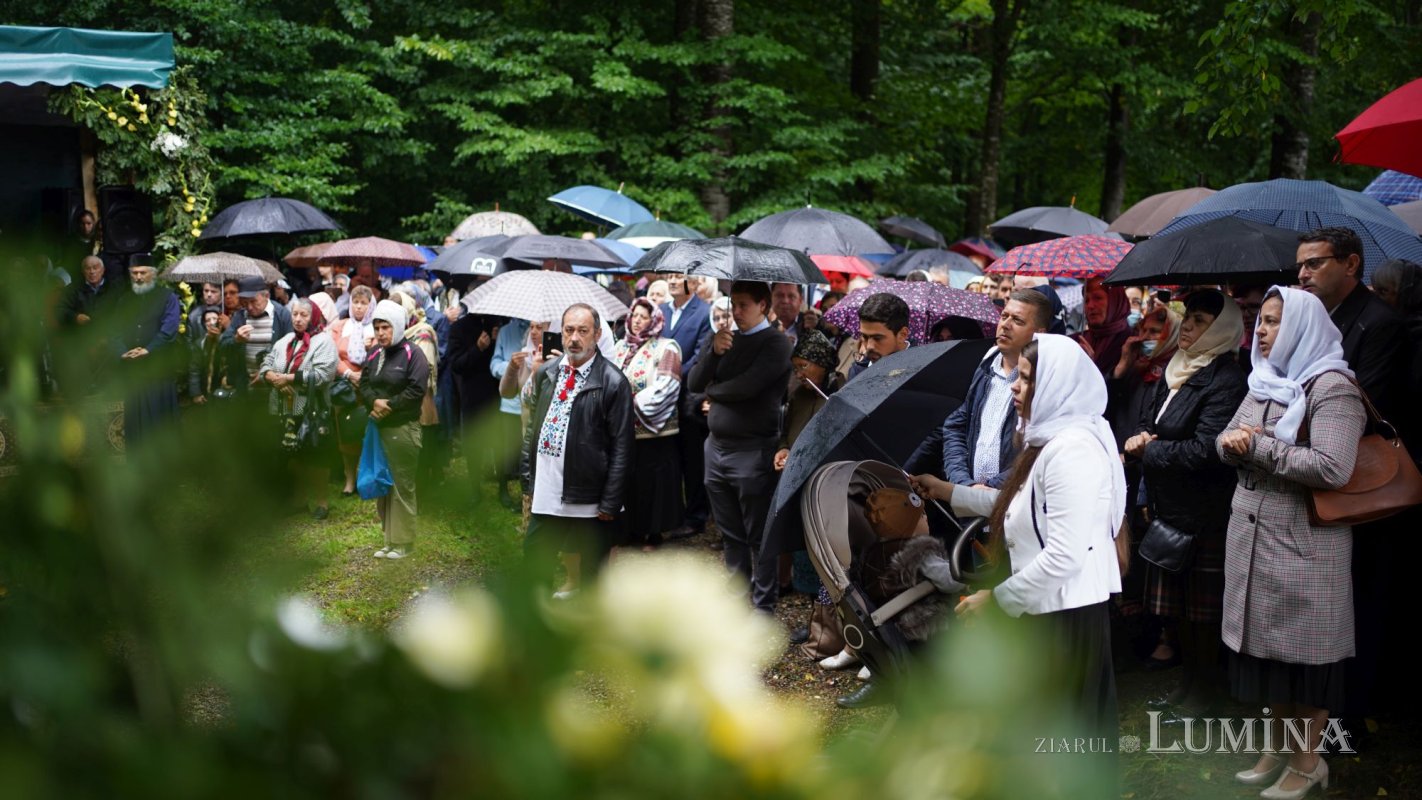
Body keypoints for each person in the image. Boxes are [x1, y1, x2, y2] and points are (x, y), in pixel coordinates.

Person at [911, 334, 1125, 775]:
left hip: (1066, 615)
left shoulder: (1072, 451)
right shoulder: (1049, 439)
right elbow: (1020, 505)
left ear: (1055, 385)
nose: (1013, 386)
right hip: (1046, 606)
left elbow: (1065, 554)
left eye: (1026, 379)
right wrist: (949, 491)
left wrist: (1000, 599)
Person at [1216, 287, 1364, 798]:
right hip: (1254, 540)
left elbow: (1333, 467)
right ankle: (1276, 749)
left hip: (1305, 545)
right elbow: (1225, 439)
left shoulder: (1332, 388)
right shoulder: (1265, 381)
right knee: (1269, 658)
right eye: (1259, 319)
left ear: (1302, 326)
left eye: (1273, 321)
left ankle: (1308, 762)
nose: (1260, 329)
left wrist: (1257, 446)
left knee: (1307, 661)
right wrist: (1238, 445)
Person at [1296, 229, 1414, 744]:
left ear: (1351, 264)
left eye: (1314, 264)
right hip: (1325, 472)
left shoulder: (1381, 322)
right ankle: (1324, 705)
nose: (1302, 274)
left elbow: (1368, 401)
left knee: (1362, 597)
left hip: (1365, 484)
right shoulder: (1319, 318)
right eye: (1299, 265)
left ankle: (1349, 716)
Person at [1122, 290, 1246, 718]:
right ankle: (1189, 686)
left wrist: (1148, 452)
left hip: (1204, 514)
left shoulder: (1227, 378)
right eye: (1187, 318)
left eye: (1199, 320)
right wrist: (1140, 436)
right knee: (1179, 613)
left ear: (1223, 327)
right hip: (1169, 509)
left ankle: (1206, 693)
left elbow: (1207, 451)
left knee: (1202, 615)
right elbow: (1150, 421)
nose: (1188, 327)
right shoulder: (1177, 367)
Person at [688, 281, 793, 612]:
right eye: (733, 304)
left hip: (752, 449)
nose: (735, 311)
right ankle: (737, 599)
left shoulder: (775, 343)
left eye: (744, 305)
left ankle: (763, 606)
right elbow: (692, 382)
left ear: (763, 306)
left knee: (758, 533)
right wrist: (712, 352)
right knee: (729, 532)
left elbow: (748, 387)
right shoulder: (723, 337)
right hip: (715, 446)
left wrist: (712, 391)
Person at [523, 304, 634, 597]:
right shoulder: (547, 372)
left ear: (597, 334)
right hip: (548, 489)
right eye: (569, 330)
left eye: (583, 331)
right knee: (535, 558)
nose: (574, 338)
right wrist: (529, 480)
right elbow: (532, 432)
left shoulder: (613, 381)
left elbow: (623, 447)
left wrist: (610, 501)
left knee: (590, 576)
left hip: (589, 494)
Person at [773, 330, 848, 662]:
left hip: (826, 487)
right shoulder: (799, 395)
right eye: (795, 367)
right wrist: (783, 449)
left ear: (822, 364)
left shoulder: (839, 393)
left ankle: (835, 625)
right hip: (796, 483)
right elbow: (786, 432)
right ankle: (813, 618)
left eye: (805, 366)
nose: (800, 374)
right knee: (803, 552)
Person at [359, 299, 430, 560]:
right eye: (377, 328)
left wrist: (389, 405)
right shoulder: (375, 354)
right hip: (379, 428)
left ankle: (404, 542)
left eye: (385, 327)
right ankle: (389, 539)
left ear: (398, 326)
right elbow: (364, 382)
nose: (380, 333)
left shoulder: (414, 353)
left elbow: (416, 390)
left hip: (403, 427)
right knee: (383, 484)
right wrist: (372, 401)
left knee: (401, 484)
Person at [612, 299, 684, 549]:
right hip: (624, 430)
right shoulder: (620, 347)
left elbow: (667, 386)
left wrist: (628, 403)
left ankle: (654, 533)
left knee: (653, 484)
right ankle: (631, 529)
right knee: (628, 481)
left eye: (644, 316)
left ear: (654, 320)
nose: (637, 320)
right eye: (634, 315)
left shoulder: (667, 347)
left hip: (655, 432)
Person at [258, 297, 337, 519]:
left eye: (304, 315)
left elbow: (323, 375)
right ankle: (299, 499)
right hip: (283, 408)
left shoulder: (324, 342)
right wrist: (273, 377)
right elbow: (267, 362)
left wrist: (289, 379)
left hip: (311, 408)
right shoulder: (285, 341)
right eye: (295, 314)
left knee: (316, 456)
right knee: (291, 455)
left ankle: (322, 502)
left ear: (313, 317)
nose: (298, 319)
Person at [658, 272, 712, 541]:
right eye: (669, 276)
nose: (672, 281)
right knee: (669, 459)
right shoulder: (660, 311)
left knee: (693, 461)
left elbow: (701, 353)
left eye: (678, 276)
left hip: (689, 395)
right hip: (660, 398)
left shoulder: (704, 313)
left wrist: (672, 375)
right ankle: (671, 513)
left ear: (691, 281)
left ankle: (696, 517)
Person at [115, 262, 182, 445]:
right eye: (134, 273)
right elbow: (115, 332)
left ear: (152, 274)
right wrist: (122, 352)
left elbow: (169, 329)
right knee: (135, 424)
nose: (138, 277)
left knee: (159, 422)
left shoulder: (167, 297)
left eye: (142, 273)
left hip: (157, 370)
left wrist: (148, 349)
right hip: (133, 372)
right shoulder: (125, 300)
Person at [393, 291, 443, 492]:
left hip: (421, 398)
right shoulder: (398, 333)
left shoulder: (422, 332)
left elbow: (425, 368)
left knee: (421, 446)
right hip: (400, 396)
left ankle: (424, 487)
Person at [220, 276, 294, 392]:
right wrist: (236, 339)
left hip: (274, 384)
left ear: (266, 296)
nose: (249, 307)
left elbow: (291, 349)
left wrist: (265, 372)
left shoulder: (282, 315)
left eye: (254, 301)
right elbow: (223, 345)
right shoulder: (239, 316)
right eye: (245, 303)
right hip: (245, 385)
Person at [491, 317, 533, 509]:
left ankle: (526, 496)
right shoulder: (506, 331)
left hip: (531, 406)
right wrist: (510, 367)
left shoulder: (545, 331)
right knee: (506, 450)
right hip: (510, 404)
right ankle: (503, 488)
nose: (534, 329)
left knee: (526, 453)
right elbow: (494, 363)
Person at [1074, 276, 1134, 377]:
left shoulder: (1131, 343)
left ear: (1115, 301)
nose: (1090, 306)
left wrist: (1090, 367)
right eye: (1087, 300)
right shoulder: (1076, 341)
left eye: (1098, 298)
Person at [847, 292, 911, 380]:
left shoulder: (923, 370)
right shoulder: (857, 371)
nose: (869, 346)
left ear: (902, 335)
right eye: (865, 337)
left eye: (877, 338)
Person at [57, 255, 113, 327]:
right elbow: (60, 309)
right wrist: (75, 317)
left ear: (103, 270)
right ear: (83, 271)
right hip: (81, 332)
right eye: (88, 268)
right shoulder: (73, 288)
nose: (92, 272)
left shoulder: (113, 287)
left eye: (95, 268)